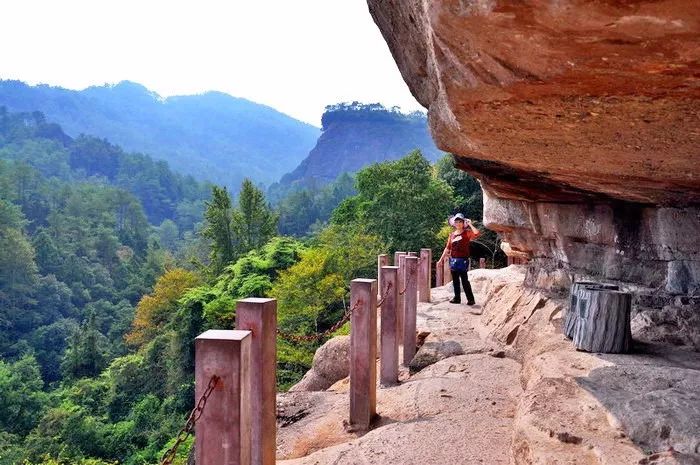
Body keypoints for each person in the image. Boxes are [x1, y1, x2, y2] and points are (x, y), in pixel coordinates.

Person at [438, 213, 480, 305]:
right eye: (456, 222)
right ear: (454, 223)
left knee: (464, 280)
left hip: (463, 260)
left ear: (463, 223)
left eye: (460, 221)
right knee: (455, 281)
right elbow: (447, 248)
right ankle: (457, 298)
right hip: (453, 260)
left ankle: (470, 299)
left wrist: (470, 224)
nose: (458, 223)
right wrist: (440, 260)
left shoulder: (467, 233)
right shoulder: (452, 235)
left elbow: (476, 233)